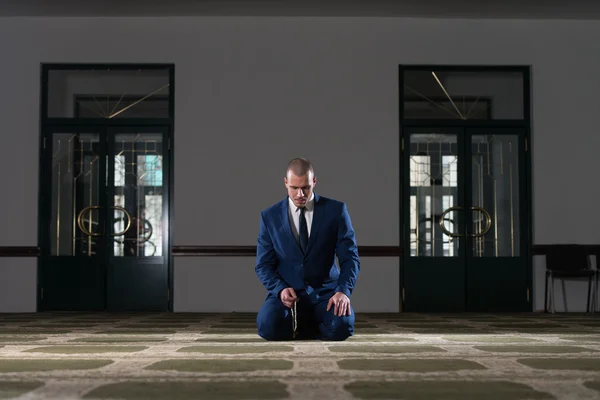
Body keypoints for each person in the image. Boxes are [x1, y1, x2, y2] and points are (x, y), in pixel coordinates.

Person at [255, 158, 360, 341]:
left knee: (343, 325)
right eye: (294, 188)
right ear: (286, 183)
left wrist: (343, 291)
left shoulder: (336, 211)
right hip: (287, 294)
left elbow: (350, 258)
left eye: (305, 187)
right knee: (267, 327)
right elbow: (263, 265)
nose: (300, 194)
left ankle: (310, 323)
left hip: (326, 293)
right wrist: (280, 289)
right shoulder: (269, 217)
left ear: (314, 182)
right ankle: (302, 323)